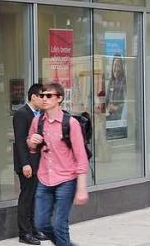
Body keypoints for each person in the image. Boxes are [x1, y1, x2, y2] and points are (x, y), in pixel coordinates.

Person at [27, 83, 89, 246]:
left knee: (59, 225)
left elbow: (81, 156)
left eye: (49, 96)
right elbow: (32, 149)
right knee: (41, 224)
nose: (44, 99)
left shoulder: (71, 123)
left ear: (59, 98)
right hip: (44, 178)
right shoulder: (37, 121)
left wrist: (81, 188)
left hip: (66, 179)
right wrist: (32, 143)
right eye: (42, 96)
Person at [13, 83, 47, 245]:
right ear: (33, 97)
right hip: (27, 164)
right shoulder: (21, 114)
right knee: (26, 198)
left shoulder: (41, 114)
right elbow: (20, 142)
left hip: (39, 163)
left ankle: (34, 229)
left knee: (35, 198)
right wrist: (26, 164)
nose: (44, 99)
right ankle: (24, 233)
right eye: (42, 96)